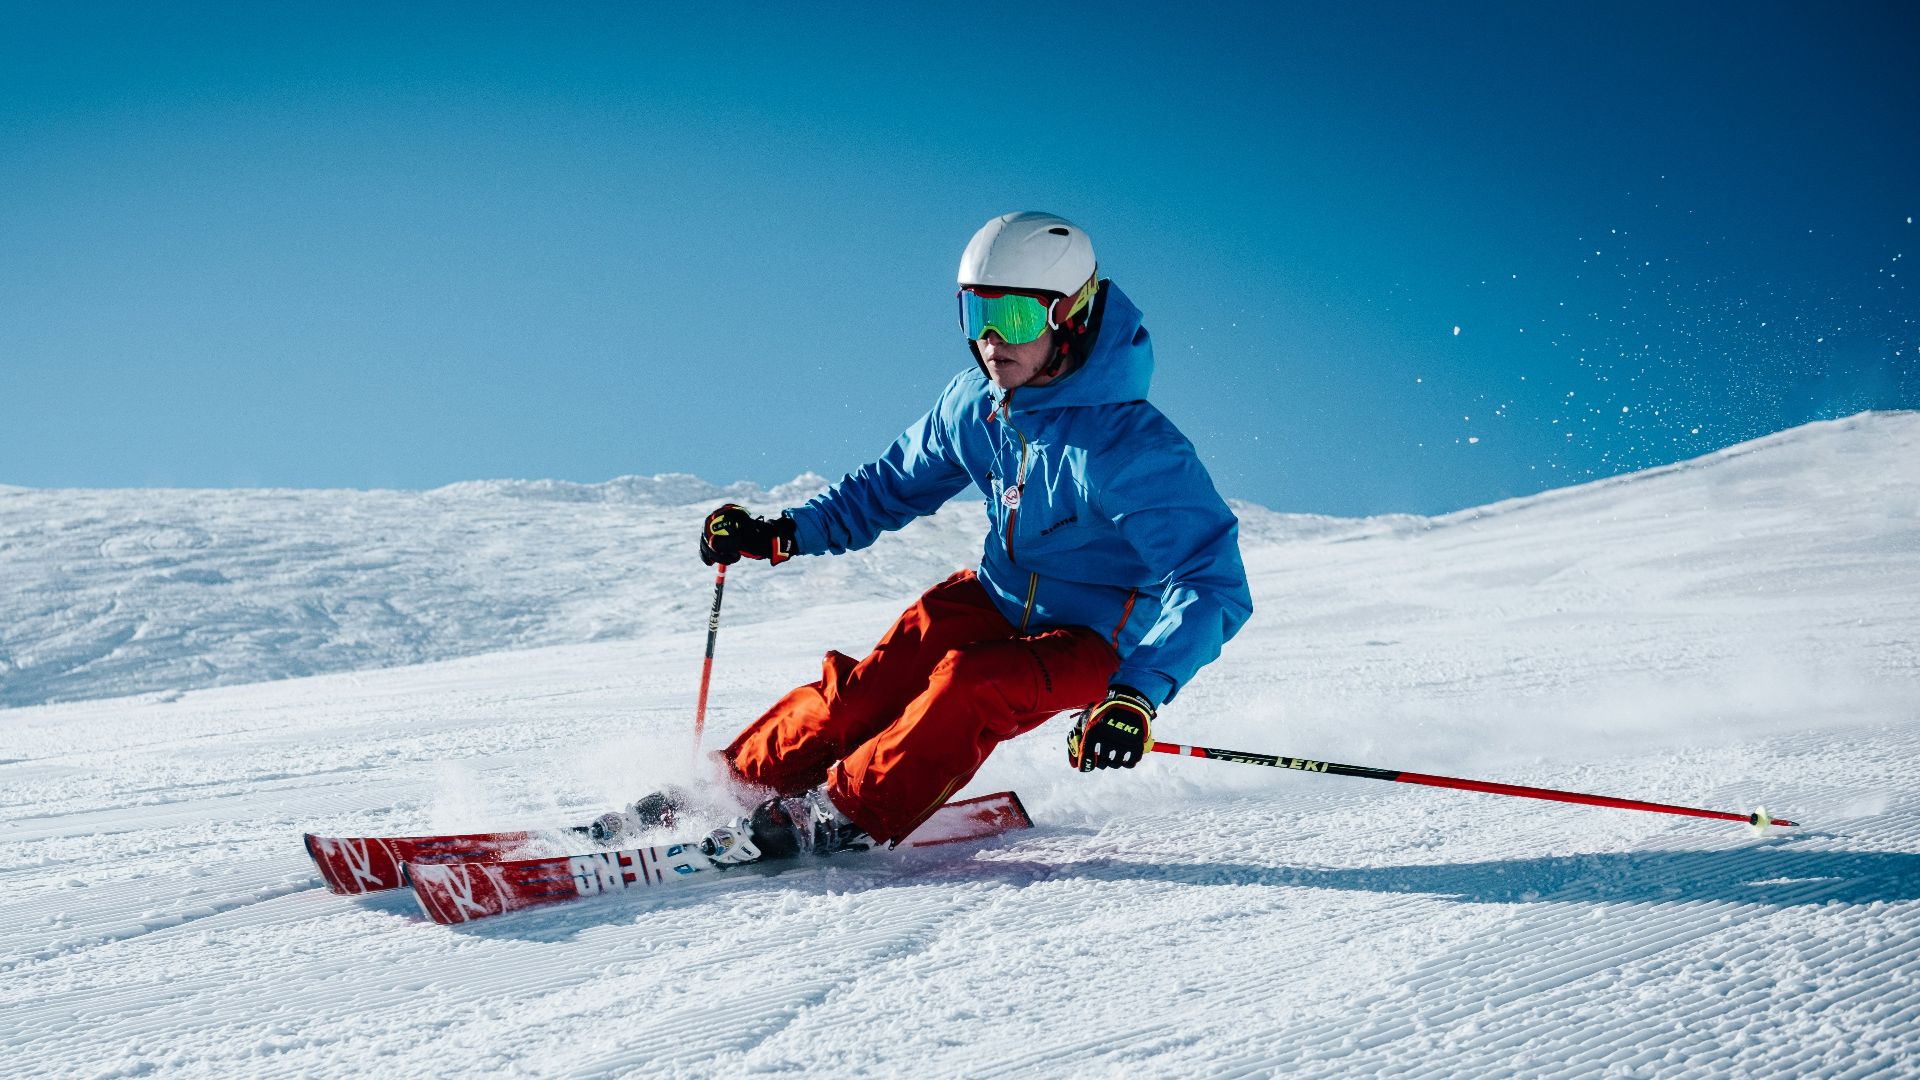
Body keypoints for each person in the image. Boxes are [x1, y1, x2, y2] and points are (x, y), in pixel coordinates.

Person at [691, 211, 1252, 865]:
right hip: (995, 597)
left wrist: (1137, 693)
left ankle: (847, 814)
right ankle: (732, 783)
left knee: (972, 682)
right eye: (974, 315)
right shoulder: (975, 404)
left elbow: (1210, 582)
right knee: (872, 688)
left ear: (1068, 316)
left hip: (1098, 640)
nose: (989, 340)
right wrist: (781, 531)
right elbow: (886, 487)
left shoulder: (1130, 448)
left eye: (1012, 318)